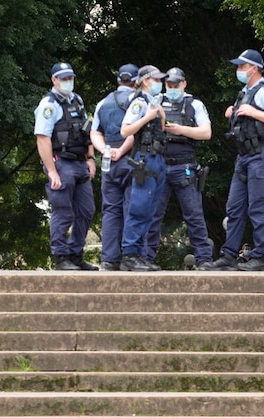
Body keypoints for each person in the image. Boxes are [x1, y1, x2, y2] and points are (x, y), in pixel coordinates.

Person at [201, 49, 264, 272]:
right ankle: (229, 255)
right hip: (245, 156)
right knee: (234, 206)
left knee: (259, 207)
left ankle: (259, 257)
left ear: (254, 68)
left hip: (263, 154)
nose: (239, 70)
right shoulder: (244, 92)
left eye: (242, 66)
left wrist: (252, 112)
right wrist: (234, 112)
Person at [145, 67, 214, 269]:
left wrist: (180, 129)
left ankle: (203, 259)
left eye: (176, 85)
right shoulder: (156, 102)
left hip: (185, 165)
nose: (172, 88)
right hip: (159, 164)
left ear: (184, 83)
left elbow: (206, 132)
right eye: (169, 85)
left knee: (194, 214)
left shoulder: (194, 104)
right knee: (154, 214)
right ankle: (146, 258)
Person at [34, 62, 99, 271]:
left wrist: (91, 159)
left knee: (87, 210)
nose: (68, 82)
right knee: (63, 211)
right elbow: (42, 138)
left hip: (80, 162)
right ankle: (61, 257)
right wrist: (51, 171)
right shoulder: (49, 105)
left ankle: (75, 254)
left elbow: (87, 131)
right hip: (61, 162)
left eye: (70, 78)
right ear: (54, 80)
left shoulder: (77, 100)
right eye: (63, 78)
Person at [118, 65, 168, 272]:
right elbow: (125, 130)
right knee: (138, 207)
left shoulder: (153, 102)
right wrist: (148, 116)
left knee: (150, 210)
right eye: (156, 80)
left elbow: (162, 128)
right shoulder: (139, 103)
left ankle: (139, 254)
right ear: (146, 81)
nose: (160, 83)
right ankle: (130, 254)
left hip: (158, 158)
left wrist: (161, 115)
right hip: (144, 158)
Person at [90, 63, 138, 271]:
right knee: (133, 208)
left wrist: (105, 151)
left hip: (109, 161)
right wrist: (123, 149)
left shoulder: (102, 103)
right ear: (136, 81)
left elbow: (94, 133)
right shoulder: (137, 101)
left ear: (119, 80)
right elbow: (136, 132)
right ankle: (131, 256)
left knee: (110, 210)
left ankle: (109, 259)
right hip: (132, 159)